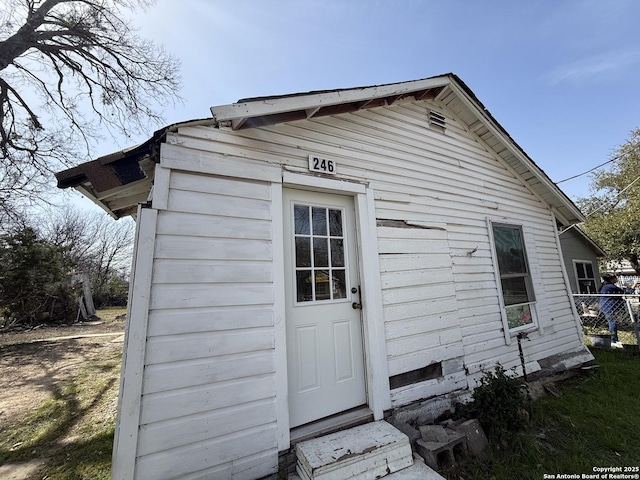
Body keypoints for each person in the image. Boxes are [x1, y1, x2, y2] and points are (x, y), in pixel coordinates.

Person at [599, 273, 625, 343]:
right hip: (609, 307)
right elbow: (623, 292)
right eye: (615, 278)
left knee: (612, 322)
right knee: (612, 323)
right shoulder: (610, 286)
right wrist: (633, 286)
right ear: (611, 279)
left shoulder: (605, 286)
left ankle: (614, 339)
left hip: (607, 307)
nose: (617, 279)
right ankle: (614, 340)